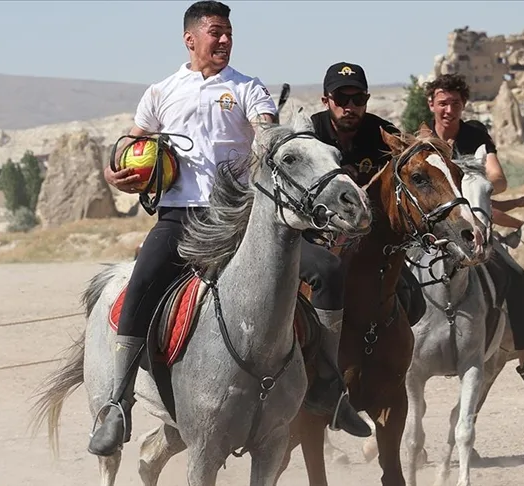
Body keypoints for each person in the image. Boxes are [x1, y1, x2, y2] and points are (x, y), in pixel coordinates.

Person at [89, 1, 359, 456]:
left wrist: (272, 138)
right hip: (181, 216)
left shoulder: (248, 88)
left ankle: (328, 386)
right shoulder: (161, 92)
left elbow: (266, 132)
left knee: (327, 271)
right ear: (190, 38)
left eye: (229, 32)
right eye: (216, 32)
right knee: (138, 287)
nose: (225, 40)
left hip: (243, 218)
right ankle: (118, 403)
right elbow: (132, 144)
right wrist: (115, 172)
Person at [298, 62, 426, 434]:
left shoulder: (381, 133)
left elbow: (411, 166)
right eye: (341, 98)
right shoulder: (311, 134)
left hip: (370, 246)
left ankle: (383, 376)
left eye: (358, 98)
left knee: (412, 299)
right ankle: (305, 377)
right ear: (327, 100)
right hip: (316, 239)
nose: (350, 106)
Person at [423, 73, 524, 387]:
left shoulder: (474, 133)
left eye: (456, 103)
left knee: (513, 274)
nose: (449, 110)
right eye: (443, 103)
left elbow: (497, 181)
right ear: (431, 104)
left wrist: (472, 180)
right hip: (435, 228)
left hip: (473, 223)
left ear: (464, 105)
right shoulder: (422, 138)